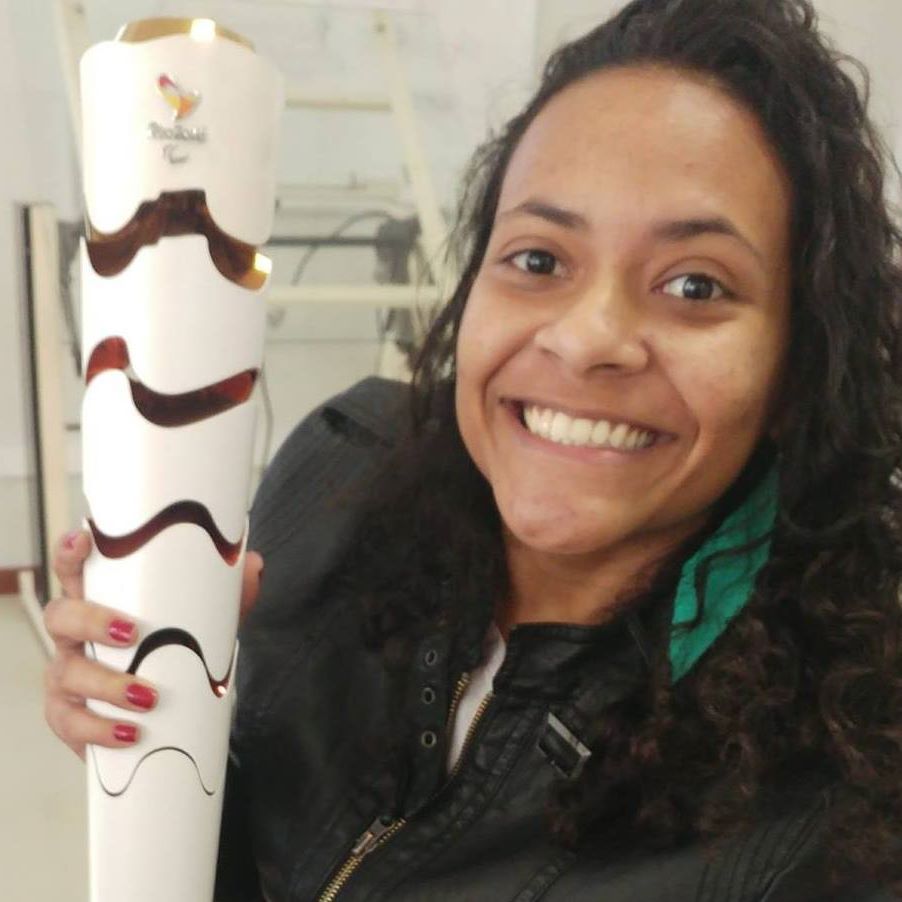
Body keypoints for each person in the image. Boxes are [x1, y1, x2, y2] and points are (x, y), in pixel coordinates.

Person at [43, 0, 902, 898]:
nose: (586, 340)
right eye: (539, 260)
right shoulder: (343, 462)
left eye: (695, 285)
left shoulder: (833, 831)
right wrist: (162, 754)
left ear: (799, 366)